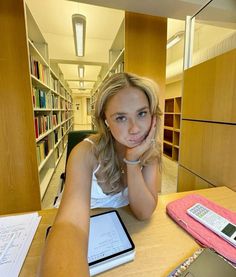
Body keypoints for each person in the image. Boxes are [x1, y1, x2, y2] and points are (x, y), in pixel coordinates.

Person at [37, 72, 162, 276]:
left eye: (142, 113)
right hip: (80, 228)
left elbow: (143, 212)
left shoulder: (150, 154)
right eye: (121, 118)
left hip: (122, 230)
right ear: (105, 121)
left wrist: (132, 160)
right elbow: (70, 224)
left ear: (152, 116)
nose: (135, 129)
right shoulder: (85, 153)